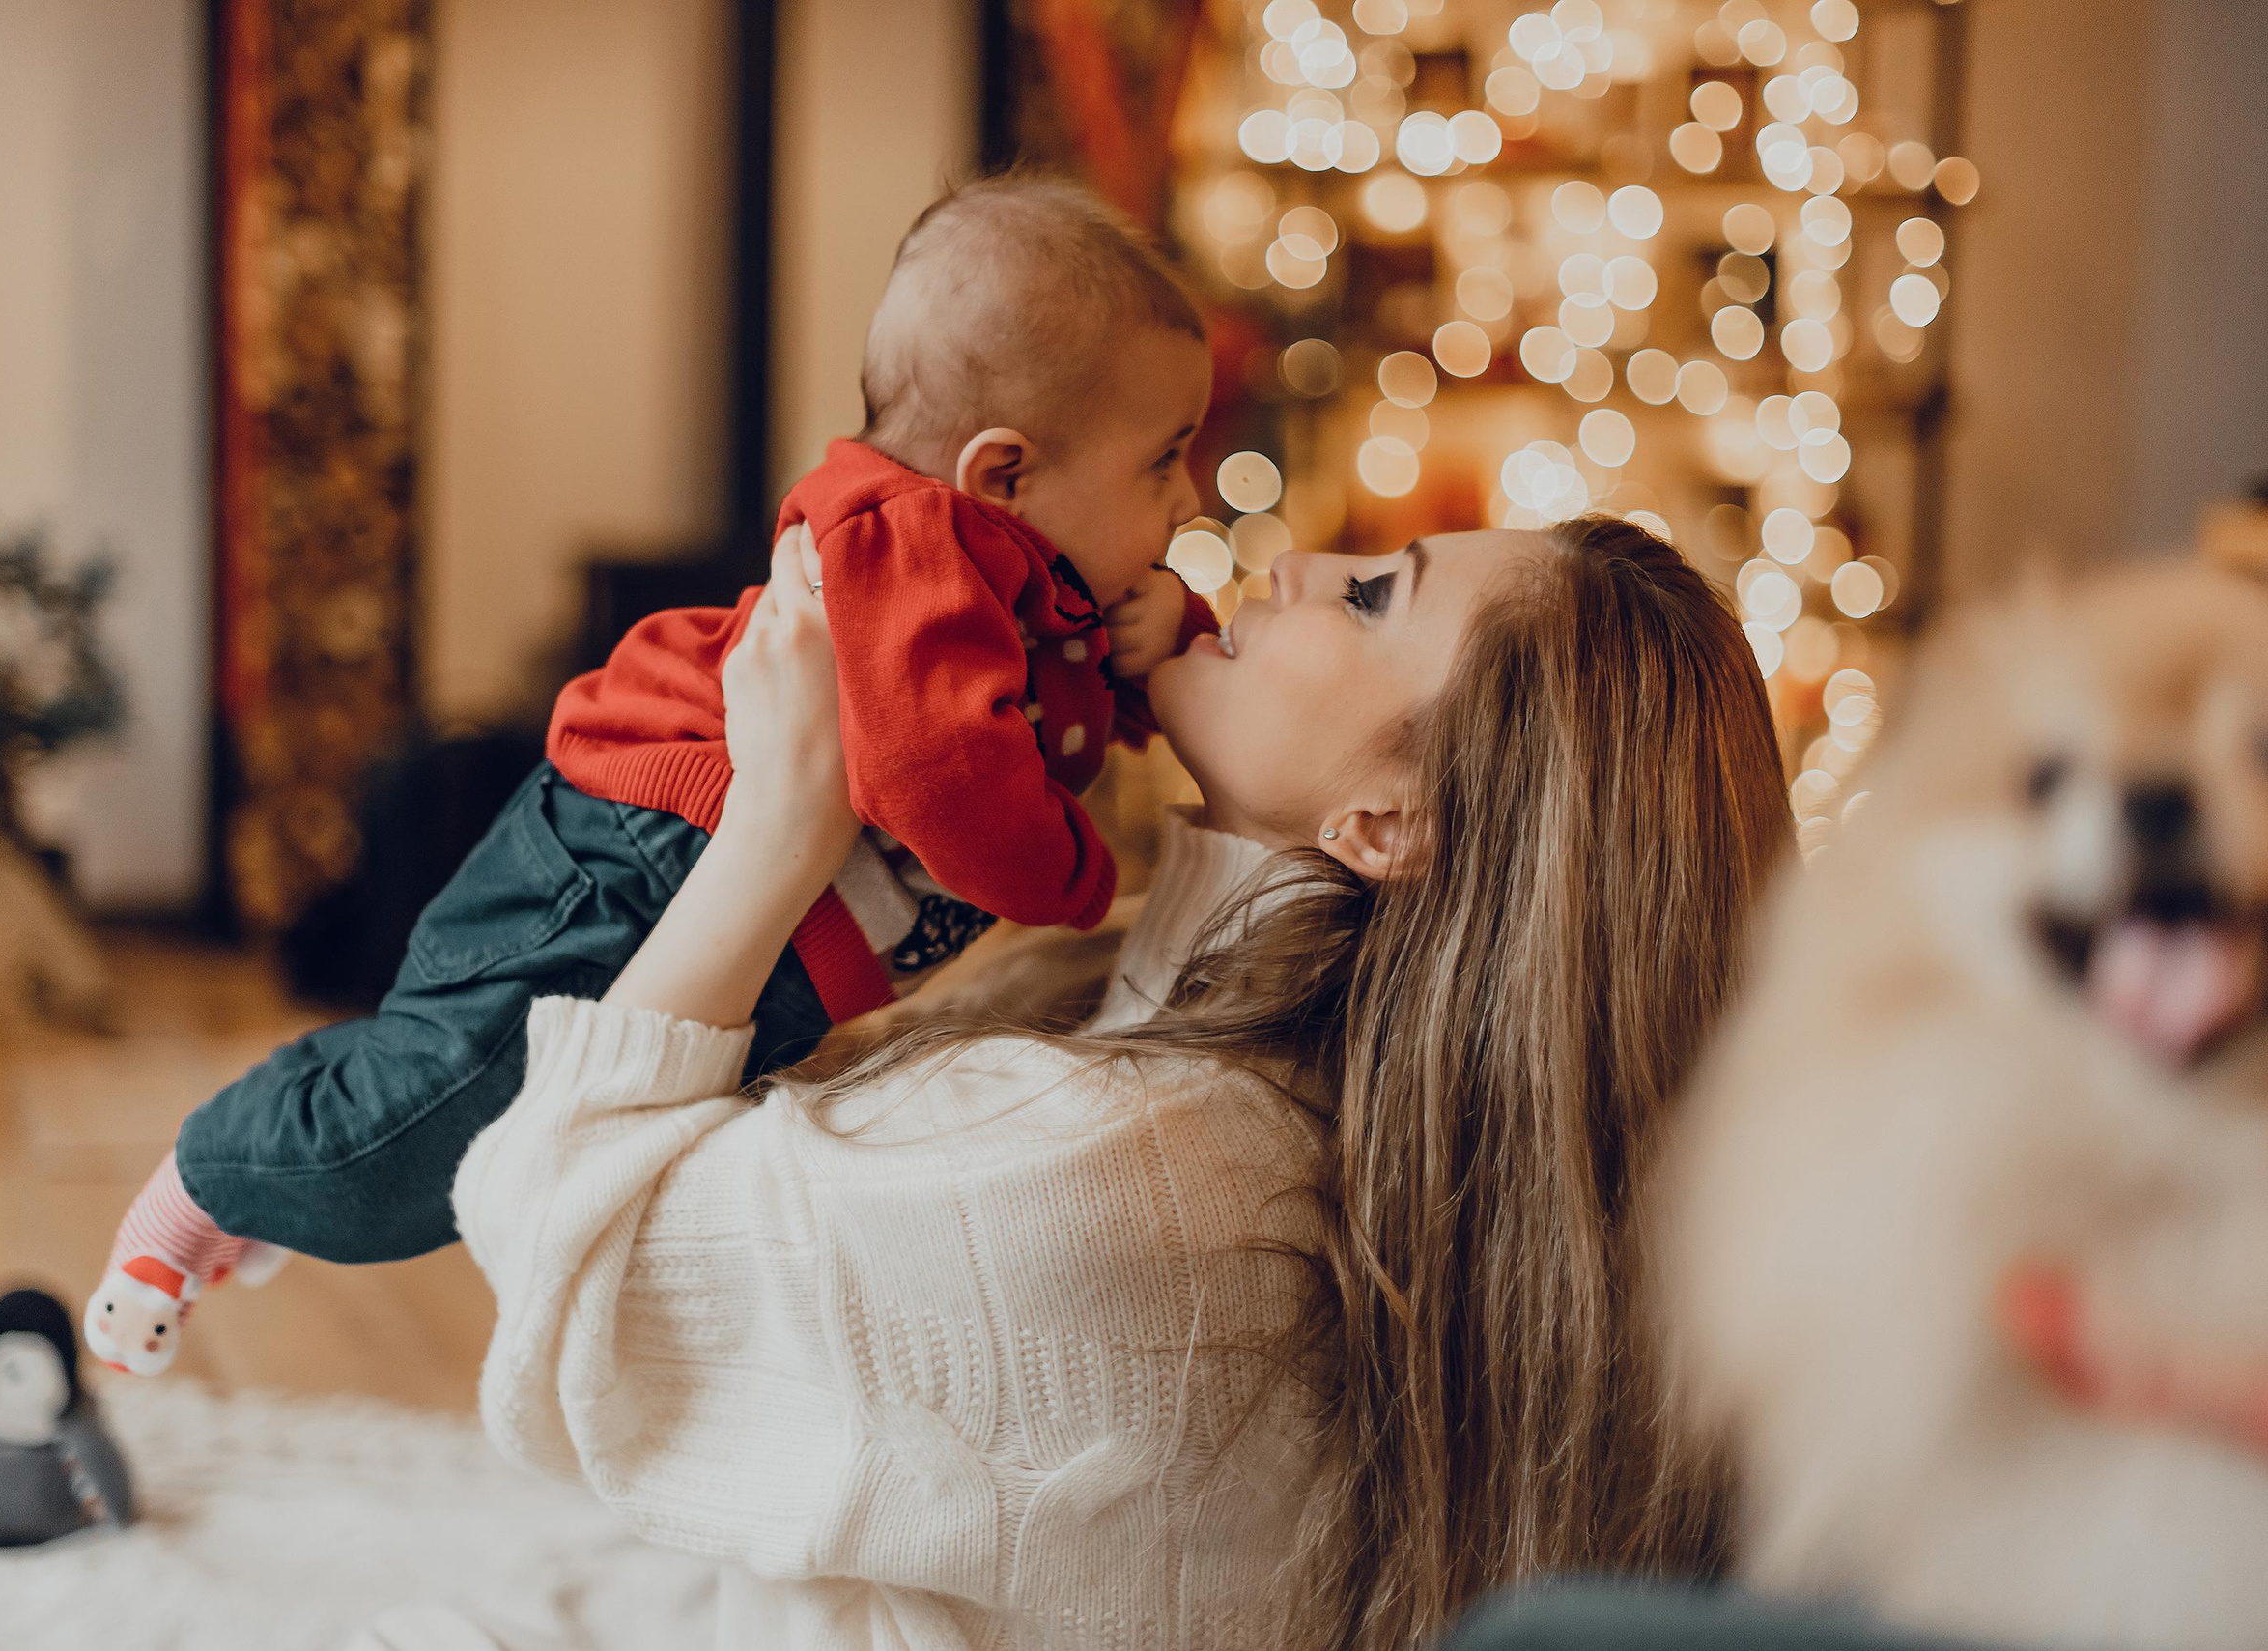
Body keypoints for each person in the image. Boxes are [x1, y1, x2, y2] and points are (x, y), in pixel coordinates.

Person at [405, 516, 1790, 1650]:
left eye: (1369, 597)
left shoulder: (1121, 1171)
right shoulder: (1211, 1068)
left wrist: (777, 823)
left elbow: (556, 1266)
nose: (1293, 561)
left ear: (1388, 822)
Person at [82, 174, 1220, 1376]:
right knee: (434, 1121)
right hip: (627, 868)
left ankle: (293, 1176)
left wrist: (1161, 644)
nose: (1190, 497)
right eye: (1166, 459)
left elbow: (1066, 694)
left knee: (536, 1167)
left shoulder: (1010, 575)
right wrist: (1081, 874)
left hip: (731, 926)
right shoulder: (907, 543)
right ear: (1003, 476)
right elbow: (947, 780)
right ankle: (210, 1180)